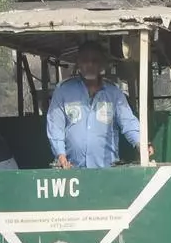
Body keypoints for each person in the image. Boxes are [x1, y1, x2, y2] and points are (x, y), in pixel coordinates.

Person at [46, 40, 151, 169]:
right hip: (72, 171)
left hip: (106, 172)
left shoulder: (114, 93)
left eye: (95, 61)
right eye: (85, 60)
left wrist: (141, 143)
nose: (89, 64)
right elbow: (56, 127)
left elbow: (128, 122)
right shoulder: (63, 91)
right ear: (78, 63)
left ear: (102, 64)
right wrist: (60, 156)